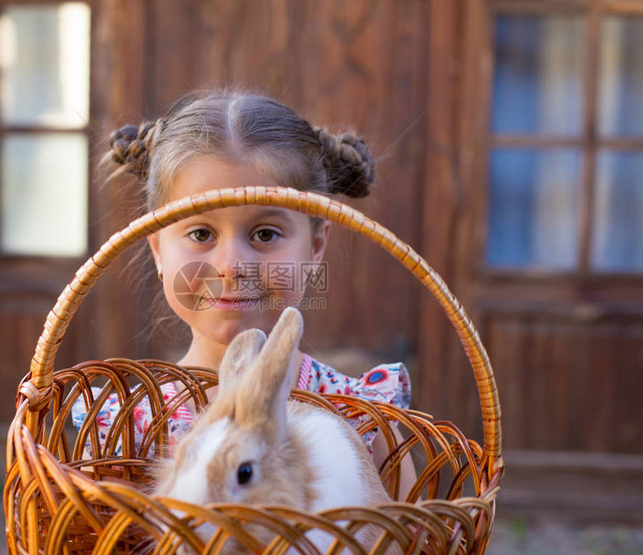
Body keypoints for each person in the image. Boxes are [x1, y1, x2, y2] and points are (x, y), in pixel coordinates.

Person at [72, 89, 414, 495]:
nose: (231, 265)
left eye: (265, 234)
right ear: (159, 247)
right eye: (201, 233)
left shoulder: (363, 420)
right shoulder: (126, 430)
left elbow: (411, 552)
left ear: (316, 245)